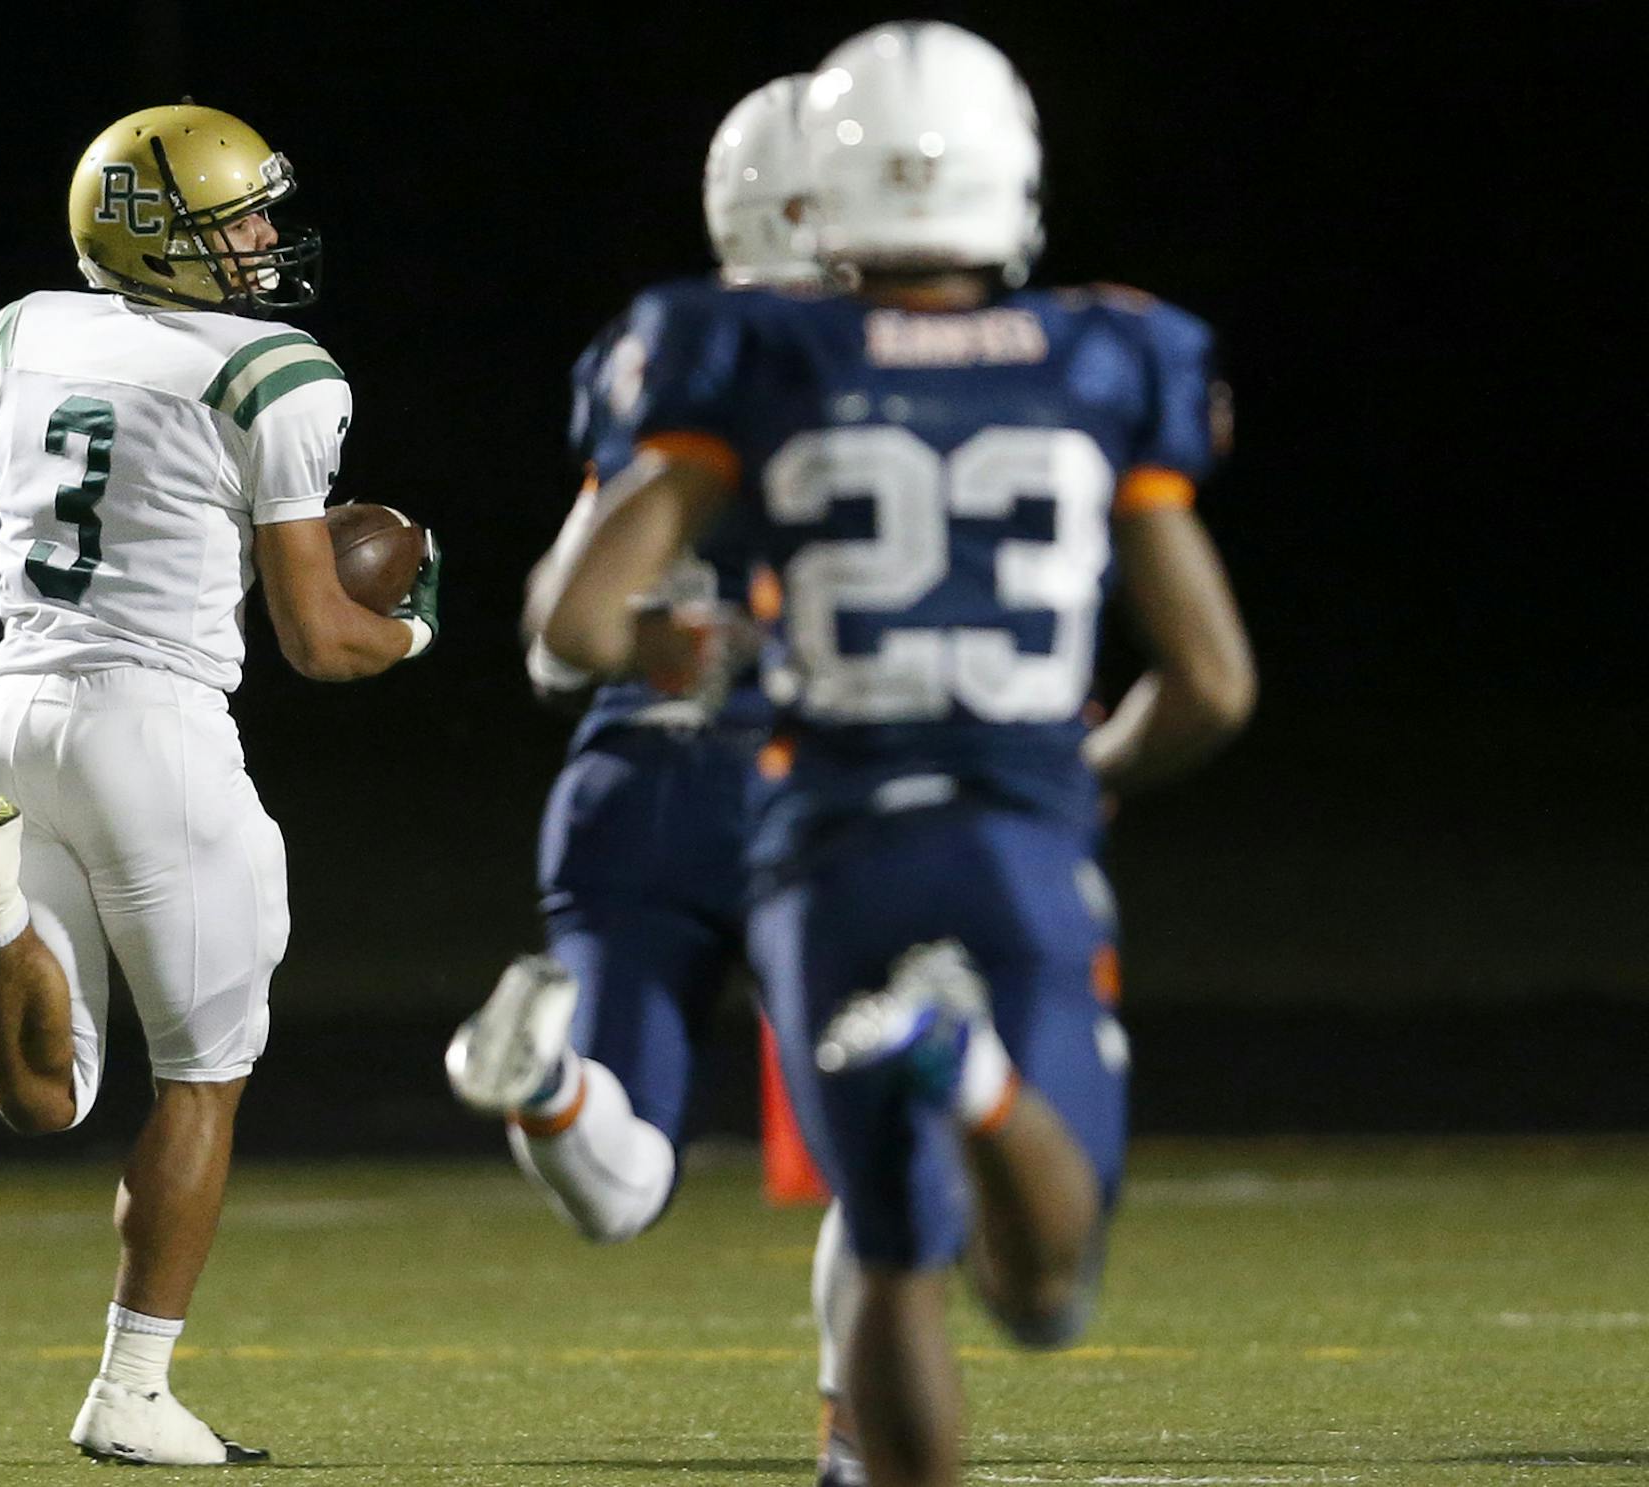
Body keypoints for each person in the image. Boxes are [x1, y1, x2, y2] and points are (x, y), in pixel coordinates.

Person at [538, 22, 1254, 1487]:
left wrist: (667, 648)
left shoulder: (741, 350)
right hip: (1016, 831)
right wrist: (1100, 764)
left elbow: (577, 617)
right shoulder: (1108, 352)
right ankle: (976, 1076)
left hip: (830, 850)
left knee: (889, 1251)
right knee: (1041, 1292)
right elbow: (1213, 684)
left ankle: (945, 1067)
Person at [0, 102, 441, 1467]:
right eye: (234, 218)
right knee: (202, 1078)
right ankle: (130, 1396)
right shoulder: (274, 369)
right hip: (158, 735)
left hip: (6, 728)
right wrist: (421, 623)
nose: (262, 236)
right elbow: (322, 638)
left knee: (45, 1097)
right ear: (158, 237)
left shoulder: (28, 333)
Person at [443, 74, 872, 1483]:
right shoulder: (888, 353)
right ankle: (856, 1428)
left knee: (621, 1183)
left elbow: (560, 637)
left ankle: (549, 1081)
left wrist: (646, 646)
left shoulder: (655, 351)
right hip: (805, 793)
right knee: (894, 1148)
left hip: (625, 787)